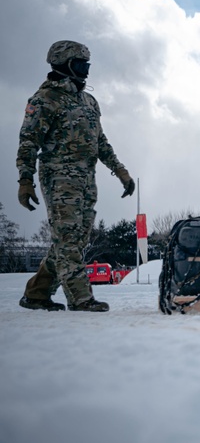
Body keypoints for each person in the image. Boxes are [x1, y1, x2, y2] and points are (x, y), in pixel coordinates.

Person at [16, 40, 135, 312]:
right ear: (65, 64)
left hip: (86, 178)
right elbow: (28, 141)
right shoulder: (44, 99)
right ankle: (81, 298)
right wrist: (25, 180)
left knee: (74, 239)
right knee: (68, 238)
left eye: (87, 65)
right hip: (59, 177)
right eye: (81, 65)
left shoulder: (88, 100)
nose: (86, 71)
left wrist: (121, 171)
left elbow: (100, 142)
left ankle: (36, 294)